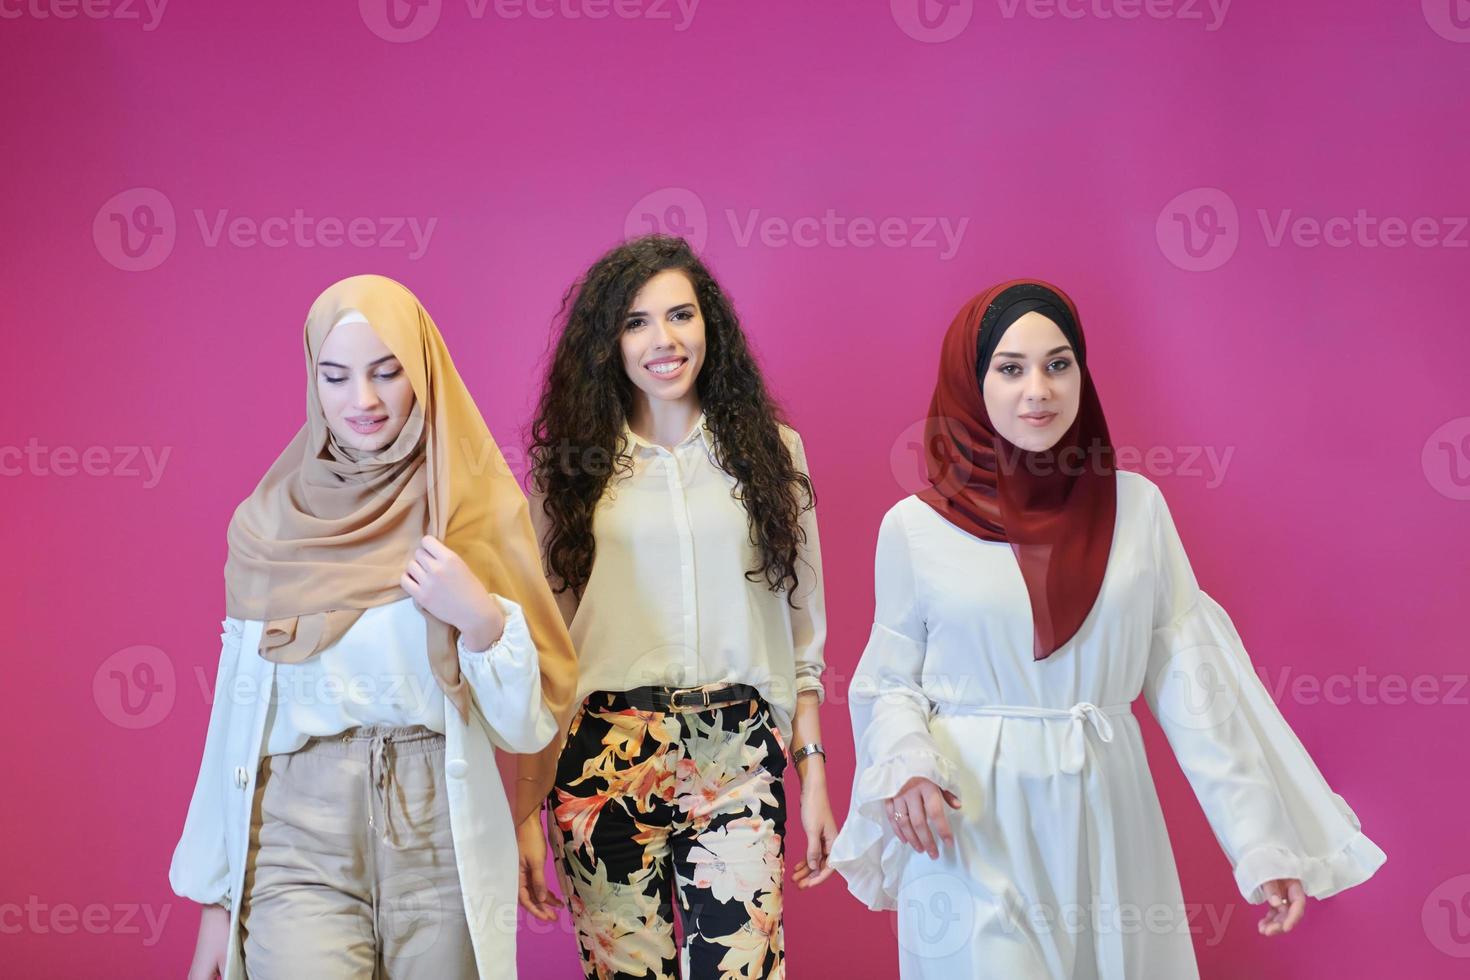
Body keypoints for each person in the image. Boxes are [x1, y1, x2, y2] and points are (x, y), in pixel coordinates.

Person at [827, 279, 1387, 978]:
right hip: (973, 817)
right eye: (1011, 368)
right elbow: (888, 682)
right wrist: (907, 765)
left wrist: (1262, 843)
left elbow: (1197, 683)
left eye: (1059, 365)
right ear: (971, 383)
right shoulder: (915, 528)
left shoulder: (1138, 511)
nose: (1040, 389)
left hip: (1107, 808)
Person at [168, 274, 578, 980]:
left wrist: (479, 617)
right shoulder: (268, 527)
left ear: (423, 374)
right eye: (336, 376)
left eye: (387, 373)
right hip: (296, 829)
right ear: (312, 381)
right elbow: (235, 720)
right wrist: (214, 897)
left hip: (438, 826)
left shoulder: (471, 511)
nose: (361, 400)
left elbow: (528, 725)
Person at [516, 235, 836, 978]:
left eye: (680, 316)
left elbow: (802, 628)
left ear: (709, 326)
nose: (663, 340)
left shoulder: (772, 454)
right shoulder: (567, 469)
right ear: (607, 344)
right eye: (636, 322)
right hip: (601, 753)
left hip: (736, 749)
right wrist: (521, 812)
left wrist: (812, 771)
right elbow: (543, 652)